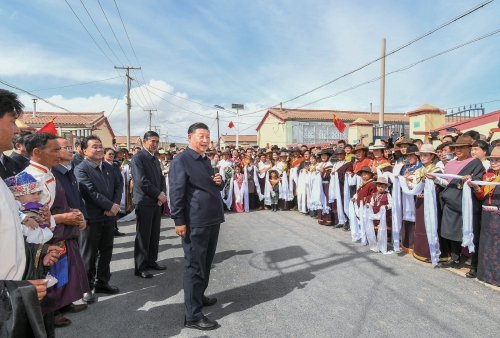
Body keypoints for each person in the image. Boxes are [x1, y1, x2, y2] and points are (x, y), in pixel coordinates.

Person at [169, 122, 224, 331]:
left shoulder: (205, 160)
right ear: (190, 137)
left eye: (208, 137)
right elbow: (176, 192)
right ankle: (192, 316)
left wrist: (219, 182)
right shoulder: (181, 160)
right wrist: (179, 220)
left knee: (206, 263)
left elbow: (208, 185)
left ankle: (198, 297)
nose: (205, 140)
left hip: (211, 218)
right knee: (194, 266)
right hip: (195, 221)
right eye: (201, 136)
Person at [49, 136, 90, 324]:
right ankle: (54, 310)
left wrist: (82, 216)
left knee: (70, 267)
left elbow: (78, 197)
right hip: (57, 227)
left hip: (71, 223)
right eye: (65, 148)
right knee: (56, 268)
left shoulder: (69, 170)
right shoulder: (51, 173)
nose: (70, 150)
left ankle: (66, 302)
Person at [75, 135, 123, 295]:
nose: (99, 149)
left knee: (106, 251)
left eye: (100, 146)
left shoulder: (109, 167)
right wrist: (109, 205)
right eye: (94, 146)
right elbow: (88, 192)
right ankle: (85, 288)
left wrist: (114, 206)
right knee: (88, 254)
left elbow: (118, 185)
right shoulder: (81, 168)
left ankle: (102, 282)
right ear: (84, 150)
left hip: (109, 217)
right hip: (92, 217)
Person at [428, 135, 485, 269]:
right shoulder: (450, 163)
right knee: (451, 232)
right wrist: (435, 178)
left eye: (461, 147)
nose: (458, 150)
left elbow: (477, 180)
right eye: (456, 148)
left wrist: (468, 180)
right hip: (450, 202)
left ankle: (474, 266)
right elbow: (446, 183)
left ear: (469, 149)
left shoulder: (475, 163)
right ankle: (454, 259)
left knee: (471, 233)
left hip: (466, 204)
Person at [129, 131, 167, 278]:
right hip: (144, 201)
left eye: (157, 141)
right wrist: (158, 194)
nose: (155, 144)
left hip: (156, 201)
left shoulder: (154, 159)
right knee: (143, 235)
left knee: (154, 233)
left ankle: (151, 261)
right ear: (144, 142)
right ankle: (140, 266)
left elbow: (161, 178)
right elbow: (141, 181)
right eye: (152, 141)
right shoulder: (138, 158)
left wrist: (162, 195)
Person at [411, 144, 449, 263]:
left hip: (433, 202)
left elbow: (445, 183)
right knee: (421, 224)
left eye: (425, 155)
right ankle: (421, 251)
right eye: (421, 155)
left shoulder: (437, 170)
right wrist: (406, 183)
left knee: (433, 223)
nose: (422, 158)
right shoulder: (418, 171)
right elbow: (414, 186)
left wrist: (435, 179)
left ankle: (434, 252)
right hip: (420, 200)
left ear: (432, 156)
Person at [467, 147, 500, 284]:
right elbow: (481, 196)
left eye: (497, 160)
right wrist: (475, 187)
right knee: (487, 244)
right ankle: (485, 274)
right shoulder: (487, 176)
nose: (493, 162)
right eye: (492, 160)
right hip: (486, 215)